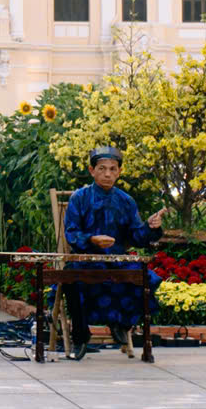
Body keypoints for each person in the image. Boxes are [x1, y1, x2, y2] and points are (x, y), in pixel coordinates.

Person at [62, 145, 165, 361]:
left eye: (112, 169)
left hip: (117, 260)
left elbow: (137, 236)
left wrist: (151, 227)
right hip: (86, 259)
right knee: (71, 277)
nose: (107, 174)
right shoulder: (79, 198)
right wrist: (91, 240)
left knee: (145, 277)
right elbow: (71, 234)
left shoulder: (126, 201)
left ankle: (122, 322)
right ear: (92, 171)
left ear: (119, 172)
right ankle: (80, 336)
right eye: (102, 168)